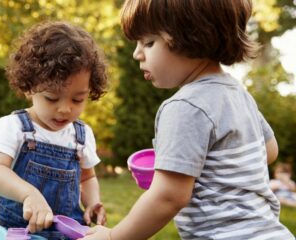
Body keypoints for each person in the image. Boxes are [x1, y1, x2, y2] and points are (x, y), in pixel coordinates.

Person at [82, 0, 294, 239]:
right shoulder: (237, 93)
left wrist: (113, 237)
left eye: (149, 42)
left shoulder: (184, 106)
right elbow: (269, 150)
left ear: (192, 36)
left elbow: (168, 197)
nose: (136, 53)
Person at [0, 21, 108, 239]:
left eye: (78, 99)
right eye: (51, 98)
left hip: (67, 232)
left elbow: (87, 178)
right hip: (19, 231)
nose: (64, 109)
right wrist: (29, 194)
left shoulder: (82, 135)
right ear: (30, 87)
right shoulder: (13, 127)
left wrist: (93, 202)